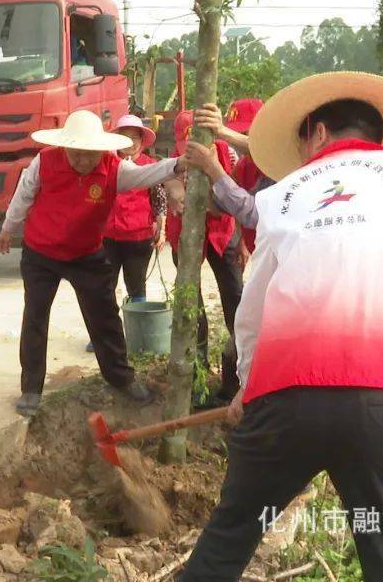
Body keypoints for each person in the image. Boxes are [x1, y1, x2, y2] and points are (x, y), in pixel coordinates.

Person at [178, 72, 383, 582]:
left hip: (286, 394)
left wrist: (249, 386)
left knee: (227, 543)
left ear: (315, 131)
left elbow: (252, 308)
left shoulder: (285, 193)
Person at [0, 110, 214, 418]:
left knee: (105, 318)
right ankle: (31, 388)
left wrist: (179, 164)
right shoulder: (43, 162)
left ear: (101, 150)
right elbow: (23, 196)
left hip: (86, 253)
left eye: (89, 156)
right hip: (41, 252)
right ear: (65, 148)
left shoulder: (114, 168)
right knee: (35, 316)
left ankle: (121, 378)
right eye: (76, 154)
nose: (83, 161)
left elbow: (147, 175)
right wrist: (8, 228)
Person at [163, 109, 243, 404]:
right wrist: (175, 191)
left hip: (223, 232)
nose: (192, 152)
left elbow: (237, 191)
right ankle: (196, 376)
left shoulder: (227, 154)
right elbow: (167, 178)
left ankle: (236, 380)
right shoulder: (174, 156)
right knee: (191, 306)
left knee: (235, 301)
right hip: (185, 233)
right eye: (187, 146)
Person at [96, 114, 166, 333]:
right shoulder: (106, 164)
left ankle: (138, 332)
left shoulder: (150, 165)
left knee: (136, 285)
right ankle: (106, 333)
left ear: (142, 140)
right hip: (108, 236)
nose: (131, 142)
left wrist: (161, 230)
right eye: (125, 137)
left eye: (135, 137)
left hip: (139, 236)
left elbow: (159, 200)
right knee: (104, 286)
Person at [194, 98, 274, 256]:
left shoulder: (280, 165)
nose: (236, 139)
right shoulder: (243, 166)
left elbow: (254, 214)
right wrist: (206, 178)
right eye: (235, 132)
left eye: (244, 133)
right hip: (260, 253)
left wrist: (214, 169)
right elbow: (219, 207)